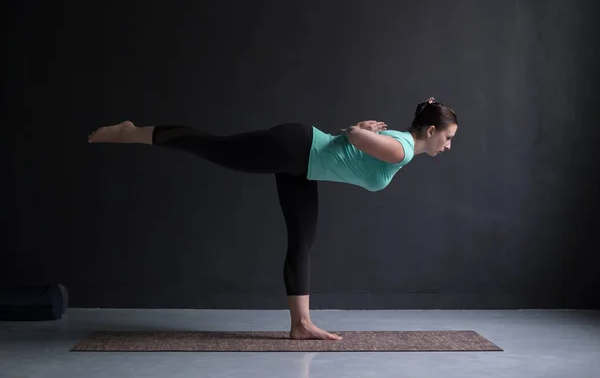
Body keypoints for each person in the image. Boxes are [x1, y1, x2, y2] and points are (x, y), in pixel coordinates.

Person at [87, 96, 458, 341]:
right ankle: (132, 132)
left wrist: (356, 131)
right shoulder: (401, 150)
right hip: (295, 149)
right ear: (431, 131)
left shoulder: (401, 145)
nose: (448, 144)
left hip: (305, 166)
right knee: (214, 147)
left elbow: (354, 140)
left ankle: (301, 324)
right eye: (448, 137)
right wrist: (357, 129)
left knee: (302, 240)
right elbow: (354, 138)